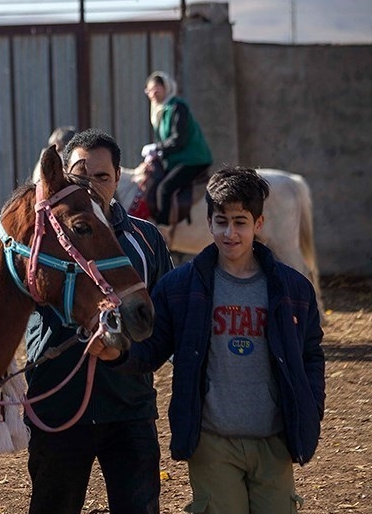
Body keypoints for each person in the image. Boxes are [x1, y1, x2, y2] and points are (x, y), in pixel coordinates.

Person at [97, 167, 325, 513]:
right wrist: (116, 352)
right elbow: (153, 346)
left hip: (274, 442)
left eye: (240, 222)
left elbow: (310, 353)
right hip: (212, 442)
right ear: (208, 222)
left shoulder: (293, 290)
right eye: (221, 221)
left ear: (259, 224)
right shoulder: (180, 288)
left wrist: (311, 407)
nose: (230, 232)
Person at [25, 128, 173, 514]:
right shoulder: (41, 240)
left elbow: (162, 323)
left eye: (102, 177)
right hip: (58, 407)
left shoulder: (146, 239)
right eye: (80, 175)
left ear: (119, 178)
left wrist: (126, 353)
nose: (90, 185)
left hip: (129, 409)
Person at [141, 71, 213, 231]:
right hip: (176, 160)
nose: (151, 93)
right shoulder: (161, 111)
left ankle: (162, 231)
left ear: (165, 87)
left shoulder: (177, 106)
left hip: (192, 159)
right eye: (148, 90)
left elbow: (178, 139)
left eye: (155, 88)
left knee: (165, 188)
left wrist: (158, 149)